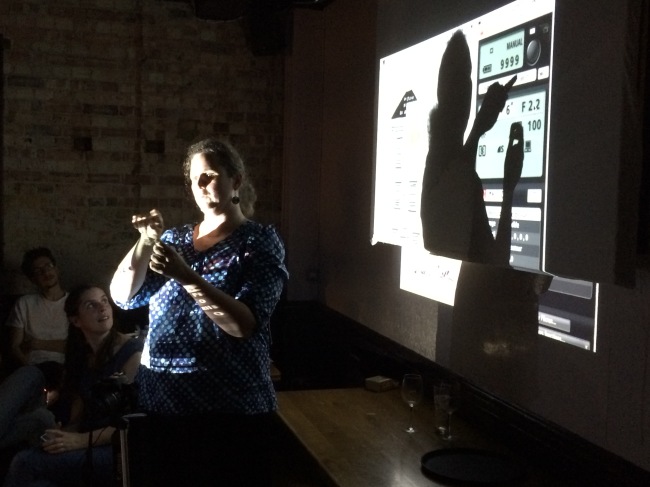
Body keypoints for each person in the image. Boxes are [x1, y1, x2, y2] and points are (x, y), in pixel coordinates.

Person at [110, 137, 288, 486]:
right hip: (162, 402)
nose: (200, 185)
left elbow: (243, 324)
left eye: (209, 175)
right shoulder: (175, 239)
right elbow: (122, 296)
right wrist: (145, 241)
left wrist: (187, 277)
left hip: (226, 412)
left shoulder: (258, 241)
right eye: (195, 180)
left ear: (235, 180)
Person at [3, 285, 142, 487]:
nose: (102, 308)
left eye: (104, 301)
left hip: (118, 447)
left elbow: (133, 426)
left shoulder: (133, 354)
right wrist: (65, 434)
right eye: (91, 305)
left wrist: (78, 441)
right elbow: (80, 413)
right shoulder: (81, 356)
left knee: (24, 462)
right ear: (75, 320)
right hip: (86, 438)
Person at [420, 30, 523, 267]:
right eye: (463, 81)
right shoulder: (447, 175)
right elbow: (496, 261)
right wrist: (509, 188)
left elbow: (457, 173)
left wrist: (480, 126)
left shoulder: (436, 170)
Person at [4, 248, 69, 374]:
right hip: (31, 368)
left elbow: (76, 346)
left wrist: (36, 343)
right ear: (32, 279)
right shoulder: (24, 303)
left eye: (48, 266)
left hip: (65, 368)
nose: (45, 272)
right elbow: (14, 347)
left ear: (56, 269)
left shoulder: (74, 302)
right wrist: (30, 369)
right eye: (38, 271)